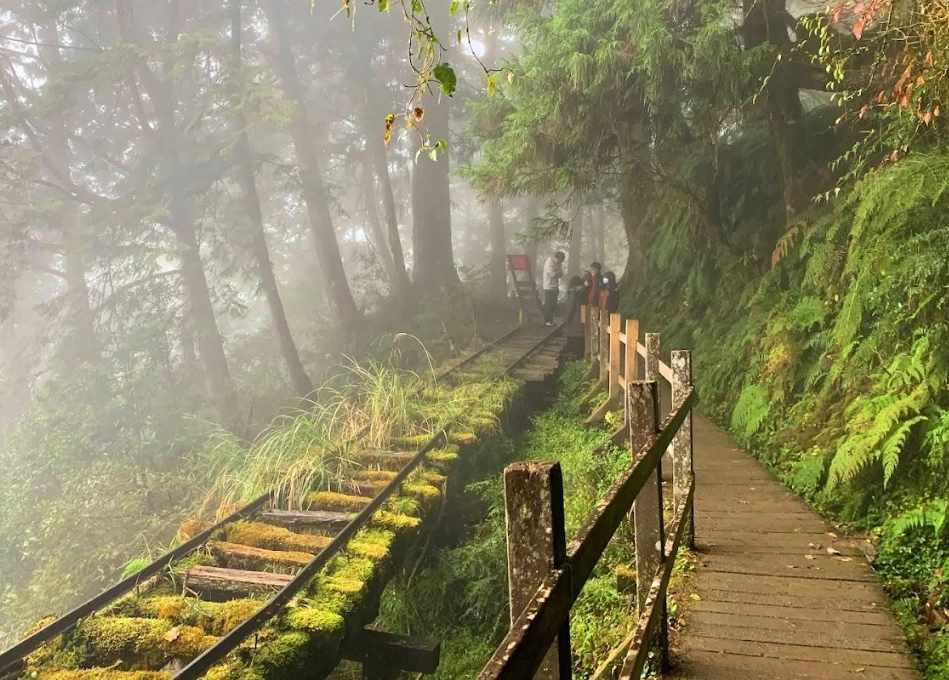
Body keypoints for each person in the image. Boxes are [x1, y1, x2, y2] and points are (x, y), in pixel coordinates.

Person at [562, 276, 586, 359]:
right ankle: (580, 355)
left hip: (574, 319)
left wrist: (566, 319)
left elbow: (570, 307)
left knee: (573, 338)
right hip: (582, 317)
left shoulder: (573, 292)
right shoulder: (583, 291)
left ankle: (574, 354)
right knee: (580, 339)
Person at [542, 251, 565, 326]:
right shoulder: (549, 263)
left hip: (555, 286)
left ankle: (550, 320)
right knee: (548, 304)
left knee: (553, 305)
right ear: (556, 258)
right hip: (548, 286)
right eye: (559, 260)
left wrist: (557, 273)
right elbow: (552, 274)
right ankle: (547, 320)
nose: (559, 262)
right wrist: (557, 273)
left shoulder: (559, 264)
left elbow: (561, 274)